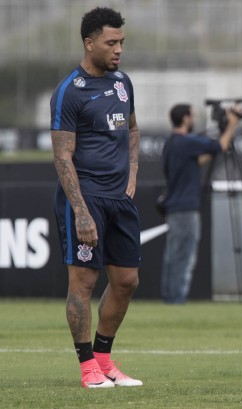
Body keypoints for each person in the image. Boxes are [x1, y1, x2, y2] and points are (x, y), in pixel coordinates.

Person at [50, 7, 143, 389]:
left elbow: (133, 130)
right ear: (90, 44)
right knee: (83, 283)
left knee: (127, 281)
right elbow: (62, 155)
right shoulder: (69, 91)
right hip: (86, 201)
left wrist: (133, 174)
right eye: (111, 43)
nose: (119, 49)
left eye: (121, 42)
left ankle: (105, 359)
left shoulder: (123, 82)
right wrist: (81, 212)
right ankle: (88, 367)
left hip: (119, 199)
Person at [160, 104, 240, 304]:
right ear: (186, 118)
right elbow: (219, 146)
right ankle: (176, 300)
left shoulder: (171, 143)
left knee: (173, 257)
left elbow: (197, 161)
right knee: (184, 259)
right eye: (192, 115)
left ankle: (170, 298)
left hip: (174, 207)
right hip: (186, 209)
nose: (194, 119)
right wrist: (232, 125)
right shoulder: (186, 142)